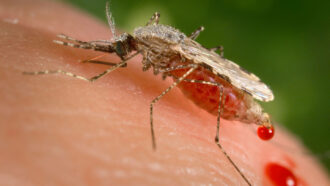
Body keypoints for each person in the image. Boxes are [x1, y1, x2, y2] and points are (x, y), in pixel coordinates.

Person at [0, 0, 328, 185]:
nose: (123, 50)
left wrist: (156, 103)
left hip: (213, 83)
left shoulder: (148, 42)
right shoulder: (144, 39)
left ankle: (218, 143)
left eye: (125, 48)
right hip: (190, 64)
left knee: (198, 75)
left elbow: (152, 52)